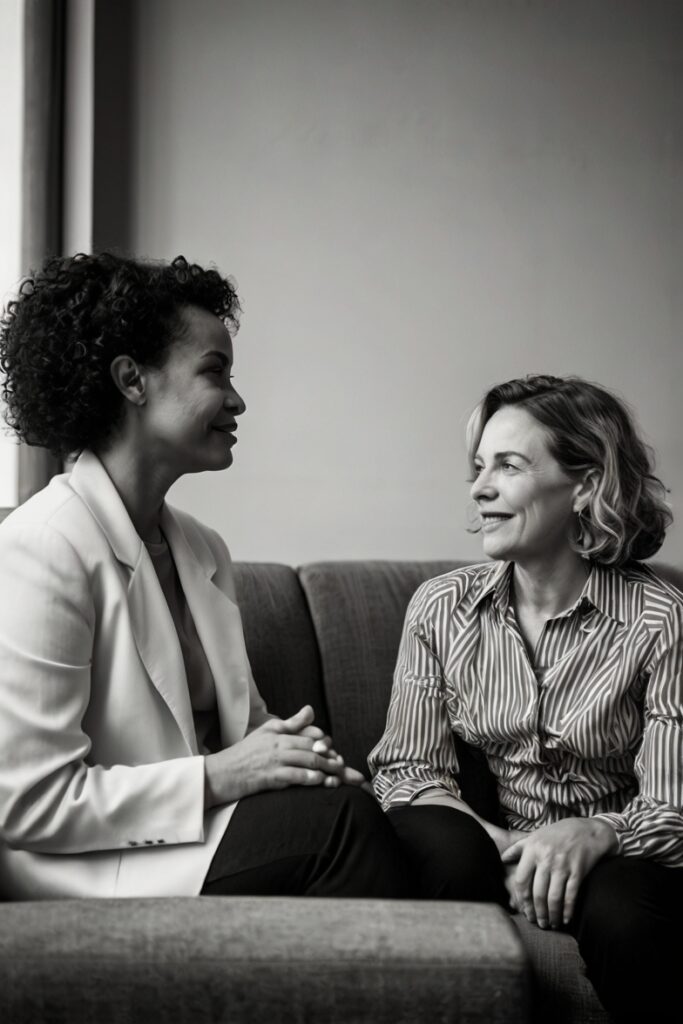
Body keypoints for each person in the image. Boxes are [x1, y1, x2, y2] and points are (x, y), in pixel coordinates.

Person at [0, 251, 408, 901]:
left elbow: (243, 732)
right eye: (215, 371)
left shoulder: (202, 547)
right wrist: (222, 776)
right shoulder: (43, 546)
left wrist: (298, 760)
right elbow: (30, 803)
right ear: (132, 380)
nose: (237, 400)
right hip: (89, 863)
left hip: (200, 831)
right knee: (342, 829)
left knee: (404, 830)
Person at [369, 374, 683, 1022]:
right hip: (486, 838)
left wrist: (596, 833)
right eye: (479, 466)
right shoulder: (440, 608)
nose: (479, 488)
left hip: (612, 852)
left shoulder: (661, 619)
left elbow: (671, 810)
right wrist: (500, 842)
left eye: (507, 466)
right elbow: (407, 769)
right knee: (440, 846)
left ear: (585, 486)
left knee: (626, 914)